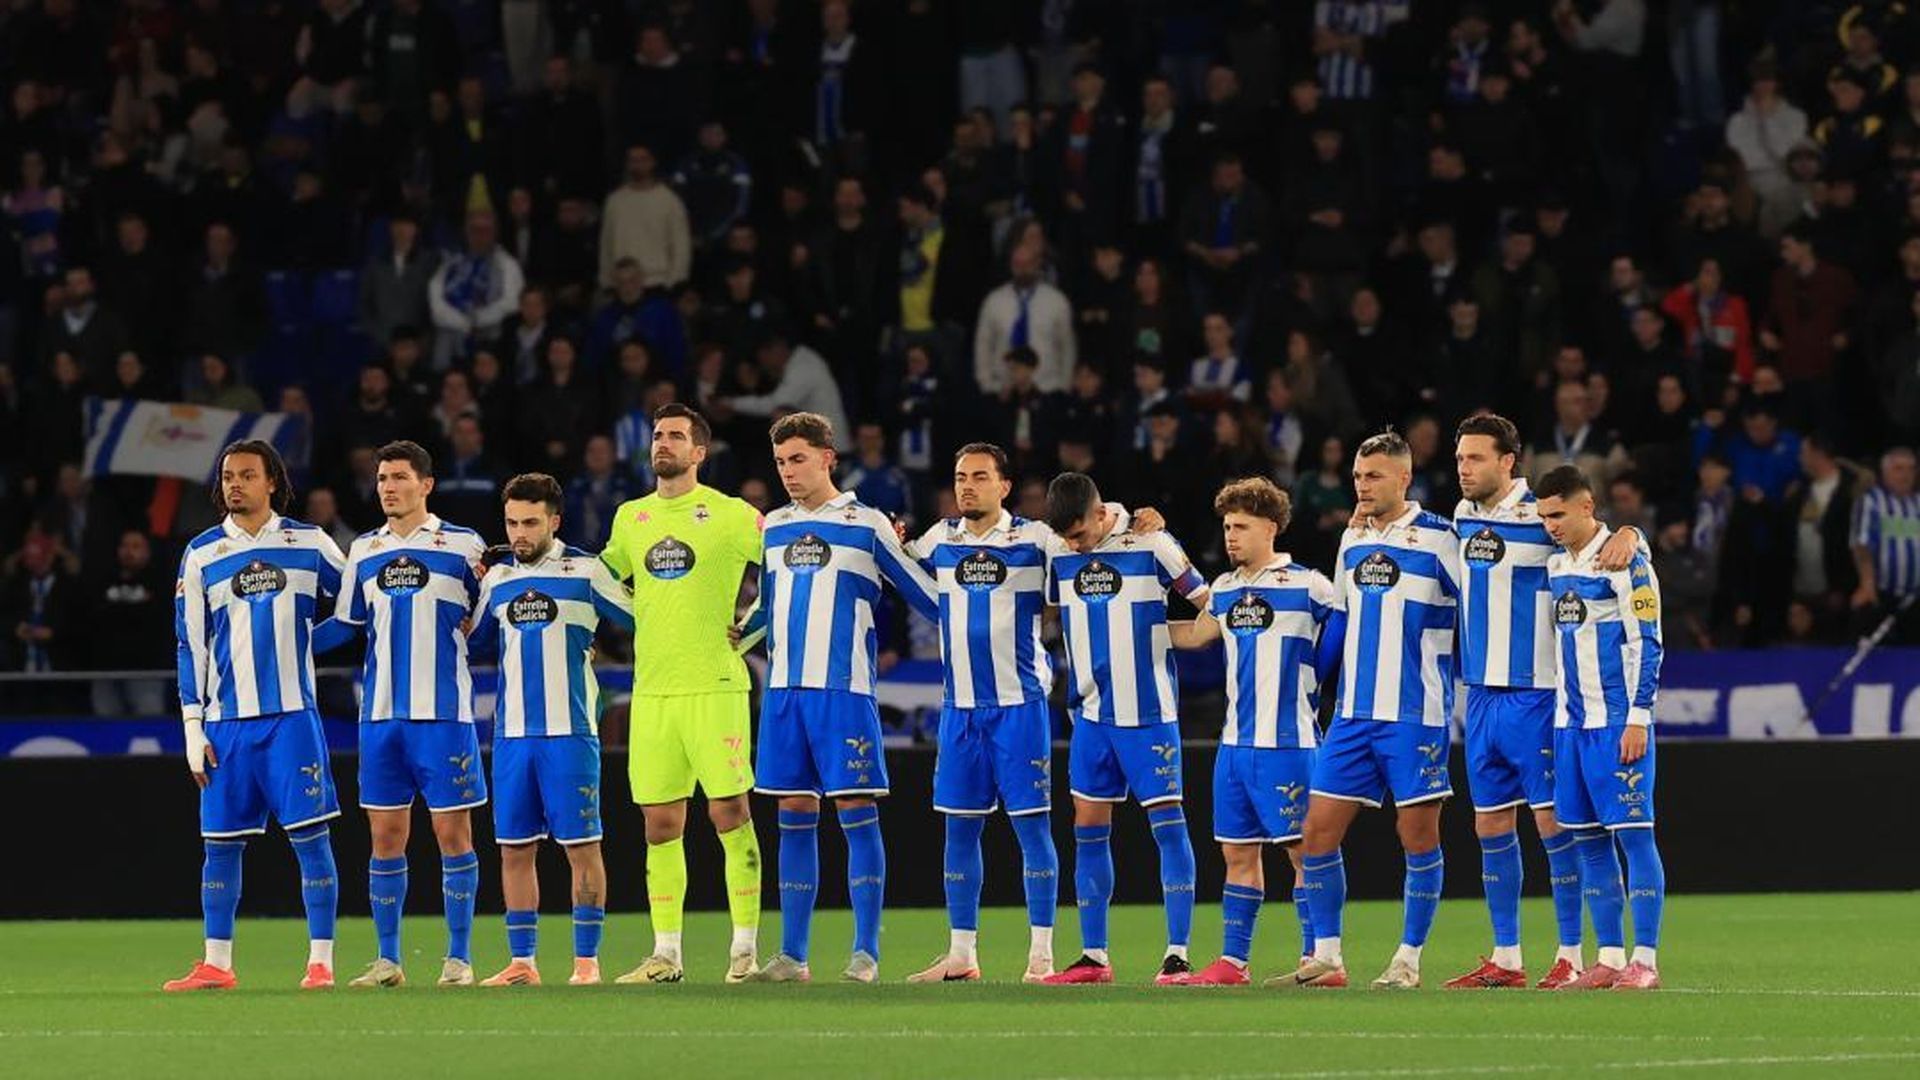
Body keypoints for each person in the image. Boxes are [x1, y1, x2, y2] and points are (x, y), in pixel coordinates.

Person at [735, 412, 939, 984]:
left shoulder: (867, 523)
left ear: (828, 457)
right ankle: (793, 956)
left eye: (798, 459)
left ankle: (865, 953)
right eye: (780, 462)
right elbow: (765, 608)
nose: (787, 471)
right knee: (793, 812)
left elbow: (925, 595)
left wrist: (980, 599)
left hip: (843, 692)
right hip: (784, 693)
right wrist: (731, 635)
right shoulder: (774, 527)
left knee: (854, 808)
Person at [1446, 414, 1642, 991]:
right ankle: (1507, 957)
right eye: (1459, 459)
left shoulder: (1542, 515)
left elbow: (1601, 536)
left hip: (1538, 693)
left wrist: (1632, 534)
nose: (1464, 469)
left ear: (1508, 461)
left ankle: (1570, 954)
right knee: (1489, 824)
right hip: (1480, 695)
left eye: (1475, 458)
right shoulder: (1462, 517)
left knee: (1555, 824)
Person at [164, 440, 348, 992]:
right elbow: (189, 644)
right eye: (227, 476)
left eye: (247, 475)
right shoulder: (202, 553)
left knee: (311, 840)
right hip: (226, 725)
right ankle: (216, 964)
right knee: (220, 845)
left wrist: (304, 645)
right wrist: (192, 726)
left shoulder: (309, 542)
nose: (235, 485)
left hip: (292, 719)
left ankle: (321, 963)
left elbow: (357, 609)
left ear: (272, 482)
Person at [1283, 429, 1461, 991]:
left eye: (1374, 476)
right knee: (1316, 832)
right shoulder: (1352, 537)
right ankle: (1328, 958)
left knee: (1416, 835)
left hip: (1415, 713)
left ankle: (1408, 958)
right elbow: (1339, 617)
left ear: (1405, 477)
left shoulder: (1441, 538)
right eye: (1358, 476)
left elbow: (1478, 609)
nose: (1362, 486)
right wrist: (1314, 680)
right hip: (1353, 714)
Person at [598, 404, 767, 984]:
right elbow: (600, 579)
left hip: (714, 685)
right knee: (659, 824)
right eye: (657, 435)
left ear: (699, 452)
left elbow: (785, 564)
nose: (662, 443)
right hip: (653, 692)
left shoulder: (731, 514)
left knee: (729, 813)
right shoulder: (630, 517)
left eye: (675, 436)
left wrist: (753, 627)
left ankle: (744, 951)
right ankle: (665, 954)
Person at [326, 441, 488, 989]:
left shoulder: (464, 546)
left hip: (443, 715)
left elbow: (493, 616)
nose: (388, 487)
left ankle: (458, 959)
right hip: (380, 717)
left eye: (399, 477)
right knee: (386, 837)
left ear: (426, 484)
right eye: (382, 479)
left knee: (452, 834)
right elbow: (345, 624)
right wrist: (287, 644)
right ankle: (388, 960)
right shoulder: (364, 549)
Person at [1167, 478, 1342, 985]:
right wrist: (1132, 621)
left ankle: (1321, 958)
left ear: (1271, 527)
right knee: (1237, 852)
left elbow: (1348, 638)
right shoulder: (1224, 588)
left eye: (1241, 526)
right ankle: (1233, 962)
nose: (1231, 536)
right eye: (1227, 527)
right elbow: (1195, 635)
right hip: (1235, 746)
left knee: (1304, 853)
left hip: (1289, 744)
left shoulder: (1311, 586)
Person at [902, 443, 1064, 984]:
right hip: (960, 710)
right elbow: (899, 561)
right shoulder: (939, 538)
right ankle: (962, 955)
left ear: (1004, 486)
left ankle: (1041, 956)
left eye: (978, 476)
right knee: (960, 831)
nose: (966, 486)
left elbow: (1090, 537)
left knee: (1032, 830)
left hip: (1019, 707)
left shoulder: (1035, 538)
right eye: (959, 477)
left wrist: (1127, 517)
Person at [1040, 472, 1209, 986]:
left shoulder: (1152, 541)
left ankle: (1177, 954)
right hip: (1090, 716)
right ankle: (1094, 956)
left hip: (1149, 715)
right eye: (1066, 538)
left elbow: (1210, 604)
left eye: (1079, 534)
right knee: (1087, 829)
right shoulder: (1058, 552)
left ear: (1099, 514)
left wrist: (1169, 635)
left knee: (1169, 828)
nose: (1074, 545)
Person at [468, 472, 635, 987]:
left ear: (555, 521)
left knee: (581, 847)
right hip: (512, 736)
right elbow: (470, 640)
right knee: (514, 848)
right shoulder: (497, 580)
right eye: (512, 523)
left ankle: (586, 963)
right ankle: (523, 962)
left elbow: (641, 618)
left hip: (571, 733)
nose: (519, 533)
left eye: (531, 523)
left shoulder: (586, 571)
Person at [1536, 464, 1667, 991]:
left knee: (1634, 837)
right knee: (1588, 843)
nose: (1551, 525)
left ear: (1587, 506)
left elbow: (1648, 643)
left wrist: (1638, 718)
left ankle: (1646, 960)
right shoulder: (1556, 565)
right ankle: (1610, 957)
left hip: (1616, 725)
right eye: (1544, 517)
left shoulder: (1626, 561)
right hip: (1569, 727)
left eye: (1558, 515)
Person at [1851, 447, 1920, 644]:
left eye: (1911, 469)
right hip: (1882, 594)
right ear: (1885, 472)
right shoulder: (1871, 501)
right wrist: (1867, 584)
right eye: (1899, 469)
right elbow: (1862, 544)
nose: (1906, 475)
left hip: (1915, 596)